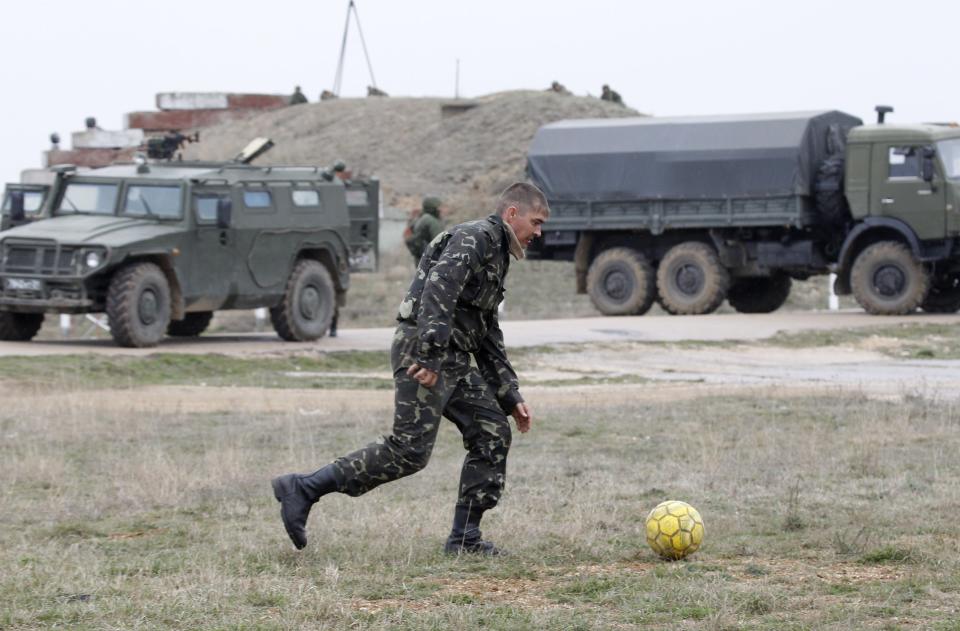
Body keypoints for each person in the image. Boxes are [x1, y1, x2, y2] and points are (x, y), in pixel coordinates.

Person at [271, 182, 550, 555]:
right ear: (512, 213)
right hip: (423, 353)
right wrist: (430, 355)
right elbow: (439, 290)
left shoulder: (497, 252)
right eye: (536, 221)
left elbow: (485, 328)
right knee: (409, 452)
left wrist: (509, 393)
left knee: (492, 433)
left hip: (450, 357)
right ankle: (303, 488)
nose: (539, 232)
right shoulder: (475, 238)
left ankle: (464, 539)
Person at [405, 196, 444, 262]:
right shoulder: (431, 220)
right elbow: (440, 242)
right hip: (430, 260)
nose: (441, 210)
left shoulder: (421, 217)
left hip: (420, 258)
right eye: (439, 207)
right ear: (433, 208)